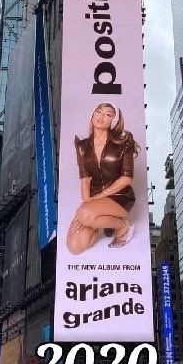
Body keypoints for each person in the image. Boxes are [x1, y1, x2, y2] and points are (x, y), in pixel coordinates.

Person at [66, 103, 139, 254]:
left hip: (120, 197)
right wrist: (84, 207)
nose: (101, 117)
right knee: (74, 247)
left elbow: (126, 178)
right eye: (98, 112)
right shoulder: (81, 146)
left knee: (86, 216)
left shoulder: (123, 143)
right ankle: (98, 220)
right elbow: (85, 177)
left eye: (108, 114)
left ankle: (122, 225)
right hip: (94, 200)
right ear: (92, 115)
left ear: (114, 121)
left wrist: (98, 198)